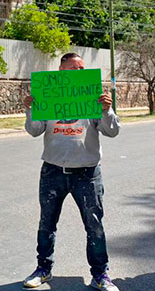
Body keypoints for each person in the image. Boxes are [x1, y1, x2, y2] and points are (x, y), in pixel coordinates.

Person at [22, 52, 121, 291]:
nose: (78, 73)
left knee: (94, 225)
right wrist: (31, 109)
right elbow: (34, 130)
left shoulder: (93, 97)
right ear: (60, 71)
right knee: (47, 223)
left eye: (82, 69)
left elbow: (112, 131)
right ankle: (43, 269)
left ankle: (100, 275)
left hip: (87, 174)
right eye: (73, 68)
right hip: (53, 171)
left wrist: (106, 110)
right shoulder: (49, 96)